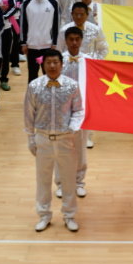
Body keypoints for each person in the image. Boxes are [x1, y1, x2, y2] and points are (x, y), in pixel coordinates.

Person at [24, 49, 83, 233]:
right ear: (43, 65)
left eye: (55, 62)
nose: (52, 66)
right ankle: (44, 215)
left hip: (65, 140)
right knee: (42, 180)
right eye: (48, 62)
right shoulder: (34, 86)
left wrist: (73, 127)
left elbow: (79, 110)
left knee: (68, 180)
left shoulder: (72, 85)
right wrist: (30, 138)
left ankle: (69, 216)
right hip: (42, 139)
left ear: (61, 64)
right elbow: (28, 113)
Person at [53, 26, 89, 199]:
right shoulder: (57, 61)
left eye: (77, 39)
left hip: (82, 112)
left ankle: (79, 183)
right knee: (61, 149)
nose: (74, 42)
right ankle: (61, 183)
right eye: (71, 39)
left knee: (80, 150)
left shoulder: (90, 62)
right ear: (65, 41)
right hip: (61, 112)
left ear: (81, 41)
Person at [20, 0, 60, 83]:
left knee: (48, 76)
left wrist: (55, 43)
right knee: (32, 77)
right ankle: (32, 95)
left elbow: (57, 24)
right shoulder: (26, 3)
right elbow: (23, 24)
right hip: (31, 47)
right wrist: (23, 43)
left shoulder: (53, 3)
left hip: (48, 47)